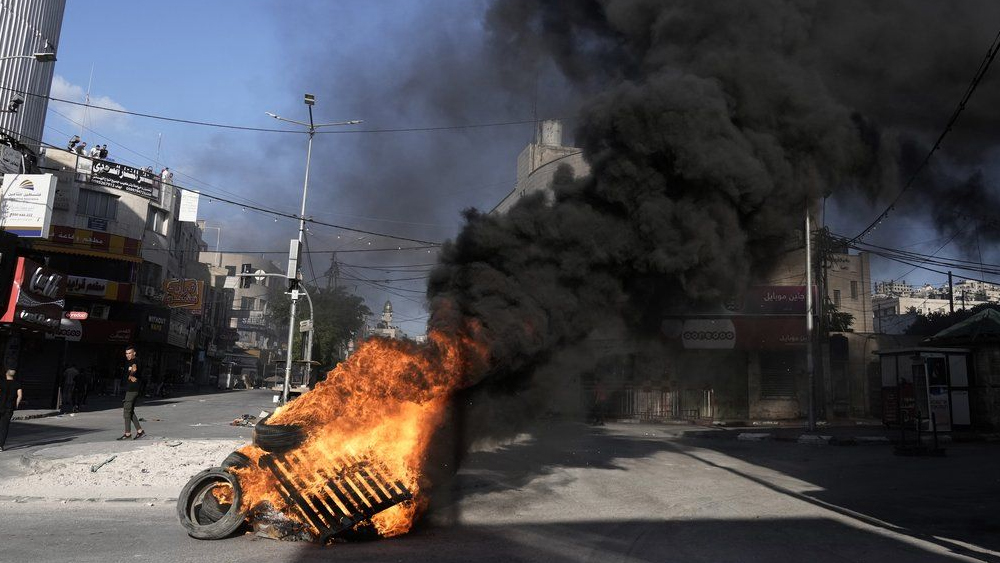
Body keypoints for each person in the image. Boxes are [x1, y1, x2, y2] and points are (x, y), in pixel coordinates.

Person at [119, 346, 145, 440]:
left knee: (126, 410)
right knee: (130, 411)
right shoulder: (130, 361)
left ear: (134, 353)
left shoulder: (135, 361)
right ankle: (140, 431)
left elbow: (134, 369)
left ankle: (127, 434)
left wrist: (130, 376)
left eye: (130, 353)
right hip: (132, 389)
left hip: (132, 389)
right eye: (126, 353)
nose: (128, 355)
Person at [0, 369, 22, 451]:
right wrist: (16, 404)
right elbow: (20, 396)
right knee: (4, 427)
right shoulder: (17, 384)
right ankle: (0, 445)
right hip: (9, 408)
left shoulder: (1, 382)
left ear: (6, 374)